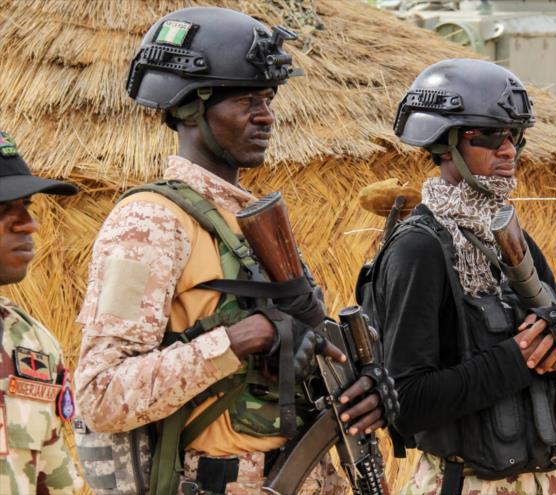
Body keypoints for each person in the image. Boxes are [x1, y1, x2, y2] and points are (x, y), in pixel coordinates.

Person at [74, 7, 394, 495]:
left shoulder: (250, 223)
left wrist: (358, 385)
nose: (265, 115)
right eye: (246, 101)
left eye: (267, 99)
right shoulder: (150, 222)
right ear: (189, 108)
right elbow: (101, 396)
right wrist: (242, 338)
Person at [372, 58, 556, 494]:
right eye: (489, 134)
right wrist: (521, 358)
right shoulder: (419, 248)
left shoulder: (514, 240)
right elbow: (406, 403)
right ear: (444, 143)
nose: (508, 150)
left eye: (516, 136)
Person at [0, 130, 82, 493]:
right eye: (2, 209)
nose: (28, 224)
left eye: (26, 205)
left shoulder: (30, 342)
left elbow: (56, 481)